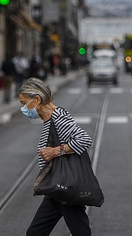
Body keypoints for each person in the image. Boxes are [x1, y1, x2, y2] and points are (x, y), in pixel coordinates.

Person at [18, 78, 93, 236]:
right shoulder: (50, 119)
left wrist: (55, 151)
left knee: (80, 232)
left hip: (65, 188)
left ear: (36, 99)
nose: (22, 108)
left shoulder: (58, 117)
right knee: (35, 233)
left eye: (23, 103)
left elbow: (84, 139)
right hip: (56, 189)